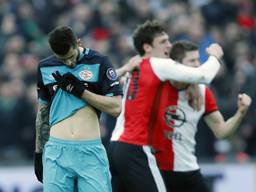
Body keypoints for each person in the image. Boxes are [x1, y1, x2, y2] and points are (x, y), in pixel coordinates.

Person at [108, 20, 224, 192]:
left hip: (115, 145)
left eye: (168, 41)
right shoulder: (158, 64)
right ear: (147, 47)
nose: (169, 46)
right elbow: (203, 76)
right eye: (163, 42)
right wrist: (215, 56)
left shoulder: (135, 67)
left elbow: (108, 80)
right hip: (135, 146)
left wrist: (123, 68)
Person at [151, 40, 252, 192]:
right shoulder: (155, 87)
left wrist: (240, 112)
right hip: (156, 171)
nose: (198, 64)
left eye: (198, 59)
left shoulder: (203, 92)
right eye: (192, 61)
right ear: (176, 65)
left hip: (188, 170)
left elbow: (221, 131)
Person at [34, 25, 122, 192]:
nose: (68, 62)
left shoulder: (100, 62)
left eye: (71, 56)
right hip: (56, 152)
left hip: (90, 153)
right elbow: (42, 114)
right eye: (62, 59)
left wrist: (81, 92)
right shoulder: (45, 67)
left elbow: (116, 108)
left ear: (78, 42)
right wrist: (38, 153)